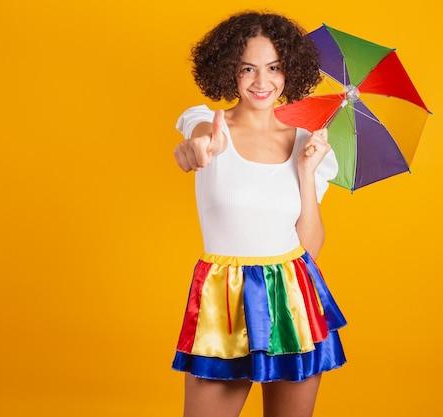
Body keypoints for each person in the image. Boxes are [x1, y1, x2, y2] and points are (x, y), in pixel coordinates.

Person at [171, 10, 347, 417]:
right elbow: (195, 142)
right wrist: (196, 150)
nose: (262, 82)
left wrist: (305, 171)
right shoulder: (208, 124)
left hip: (293, 297)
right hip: (224, 296)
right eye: (247, 68)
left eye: (273, 68)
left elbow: (311, 248)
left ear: (290, 71)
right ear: (228, 70)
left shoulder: (309, 144)